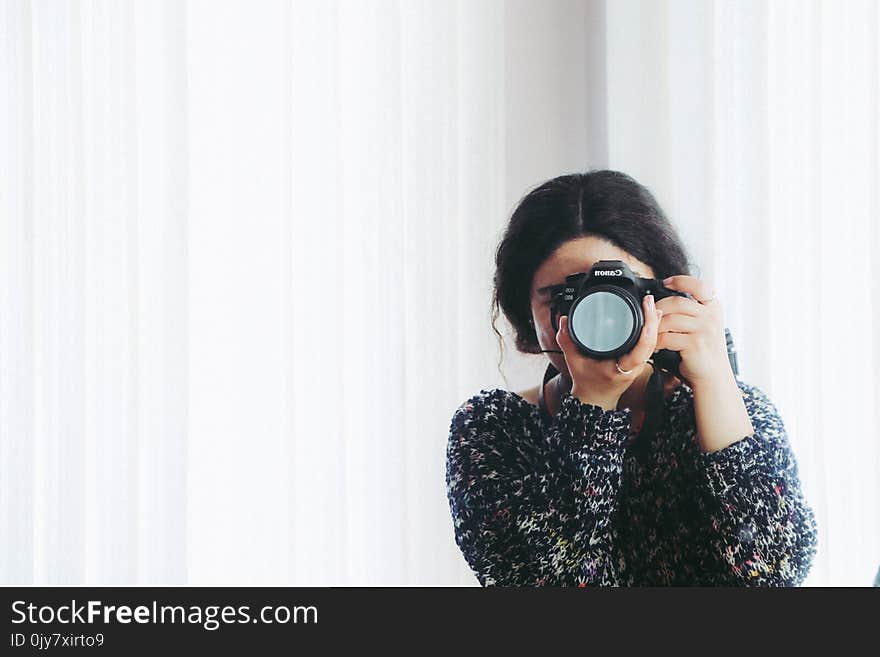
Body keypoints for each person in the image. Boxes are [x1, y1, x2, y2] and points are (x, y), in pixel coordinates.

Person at [445, 170, 818, 586]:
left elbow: (774, 576)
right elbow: (541, 583)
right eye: (562, 298)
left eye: (619, 294)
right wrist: (592, 405)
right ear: (526, 313)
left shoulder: (728, 408)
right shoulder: (493, 428)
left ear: (662, 294)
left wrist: (715, 383)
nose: (596, 318)